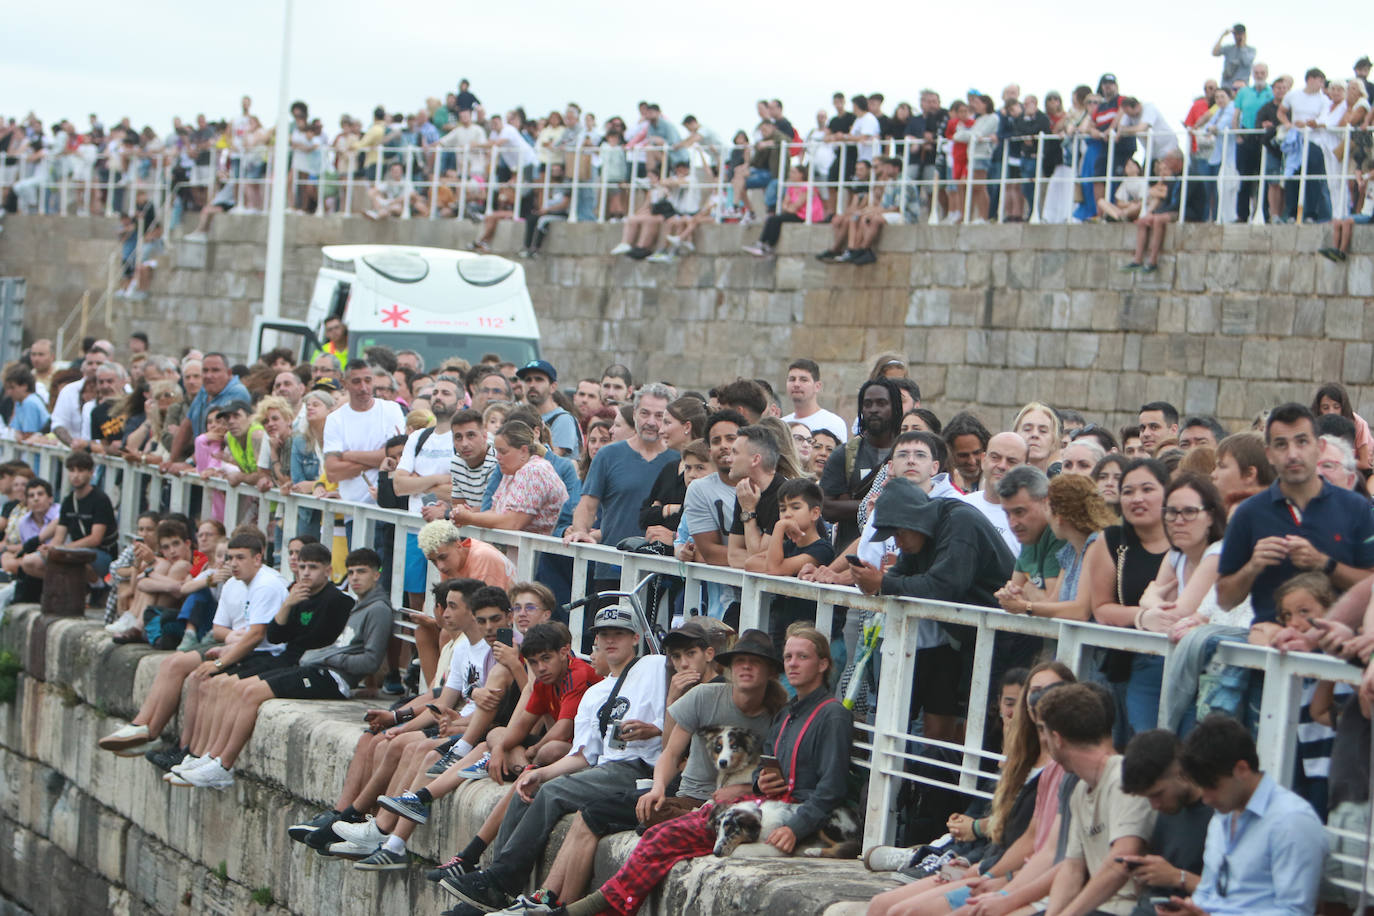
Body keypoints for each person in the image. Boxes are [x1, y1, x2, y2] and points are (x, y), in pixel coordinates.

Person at [552, 626, 851, 916]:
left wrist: (793, 828)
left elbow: (831, 788)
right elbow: (762, 766)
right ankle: (569, 904)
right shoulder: (788, 712)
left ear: (823, 664)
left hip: (792, 815)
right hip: (758, 803)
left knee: (665, 837)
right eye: (789, 657)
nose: (794, 664)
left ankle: (589, 909)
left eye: (803, 657)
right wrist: (761, 782)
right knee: (657, 833)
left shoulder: (830, 714)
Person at [437, 604, 666, 912]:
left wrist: (656, 729)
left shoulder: (655, 665)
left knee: (554, 792)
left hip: (643, 769)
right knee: (529, 786)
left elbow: (684, 704)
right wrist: (540, 774)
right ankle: (493, 886)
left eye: (620, 634)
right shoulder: (595, 695)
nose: (611, 640)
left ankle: (502, 880)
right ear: (595, 641)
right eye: (604, 635)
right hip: (606, 768)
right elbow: (584, 756)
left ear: (636, 637)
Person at [170, 542, 360, 789]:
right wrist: (287, 605)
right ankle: (207, 756)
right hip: (290, 659)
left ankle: (221, 764)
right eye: (302, 567)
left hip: (311, 664)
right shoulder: (296, 594)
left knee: (244, 690)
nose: (305, 573)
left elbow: (317, 638)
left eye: (312, 567)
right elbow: (278, 634)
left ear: (327, 570)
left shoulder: (337, 600)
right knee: (222, 684)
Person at [1215, 403, 1374, 640]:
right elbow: (1225, 600)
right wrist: (1253, 566)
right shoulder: (1249, 513)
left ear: (1319, 447)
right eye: (1281, 444)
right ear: (1269, 454)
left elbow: (1371, 586)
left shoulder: (1356, 508)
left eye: (1302, 442)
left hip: (1336, 653)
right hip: (1270, 651)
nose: (1292, 454)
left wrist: (1325, 563)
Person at [1162, 715, 1327, 915]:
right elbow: (1207, 892)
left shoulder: (1291, 821)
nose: (1205, 799)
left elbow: (1294, 911)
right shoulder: (1221, 816)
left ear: (1242, 769)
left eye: (1212, 786)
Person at [1037, 683, 1156, 916]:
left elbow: (1121, 863)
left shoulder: (1123, 778)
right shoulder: (1080, 791)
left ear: (1057, 738)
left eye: (1044, 732)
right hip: (1095, 909)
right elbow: (1072, 869)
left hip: (1126, 909)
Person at [1082, 458, 1171, 739]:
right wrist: (1143, 618)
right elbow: (1102, 608)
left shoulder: (1187, 539)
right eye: (1128, 491)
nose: (1137, 498)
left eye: (1147, 489)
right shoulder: (1110, 540)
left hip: (1178, 664)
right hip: (1124, 666)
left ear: (1168, 493)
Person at [564, 384, 679, 590]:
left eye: (659, 416)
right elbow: (588, 505)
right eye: (645, 413)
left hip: (663, 573)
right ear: (634, 413)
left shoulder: (680, 459)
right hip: (612, 567)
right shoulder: (608, 455)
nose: (651, 422)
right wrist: (580, 531)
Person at [1118, 729, 1212, 915]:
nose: (1154, 805)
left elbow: (1236, 896)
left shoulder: (1219, 813)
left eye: (1158, 794)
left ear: (1181, 773)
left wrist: (1178, 878)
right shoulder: (1169, 809)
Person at [821, 378, 902, 546]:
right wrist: (879, 504)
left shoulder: (907, 454)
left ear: (894, 407)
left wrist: (847, 502)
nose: (873, 410)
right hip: (848, 554)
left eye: (881, 403)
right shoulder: (844, 455)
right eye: (868, 404)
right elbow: (826, 507)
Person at [21, 450, 118, 587]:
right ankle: (74, 587)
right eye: (72, 470)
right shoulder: (68, 500)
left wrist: (64, 549)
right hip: (73, 550)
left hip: (101, 555)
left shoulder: (100, 499)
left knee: (71, 558)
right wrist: (49, 548)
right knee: (29, 562)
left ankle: (98, 586)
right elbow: (59, 537)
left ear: (91, 473)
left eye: (81, 470)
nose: (75, 475)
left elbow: (95, 539)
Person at [994, 466, 1067, 616]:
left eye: (1020, 512)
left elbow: (1053, 607)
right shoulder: (1030, 533)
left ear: (1046, 502)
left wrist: (1028, 590)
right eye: (1007, 514)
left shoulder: (1059, 534)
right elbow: (1014, 595)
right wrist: (1020, 596)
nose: (1013, 523)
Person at [780, 359, 848, 443]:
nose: (796, 384)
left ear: (817, 386)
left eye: (804, 380)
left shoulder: (833, 423)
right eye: (792, 379)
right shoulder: (782, 424)